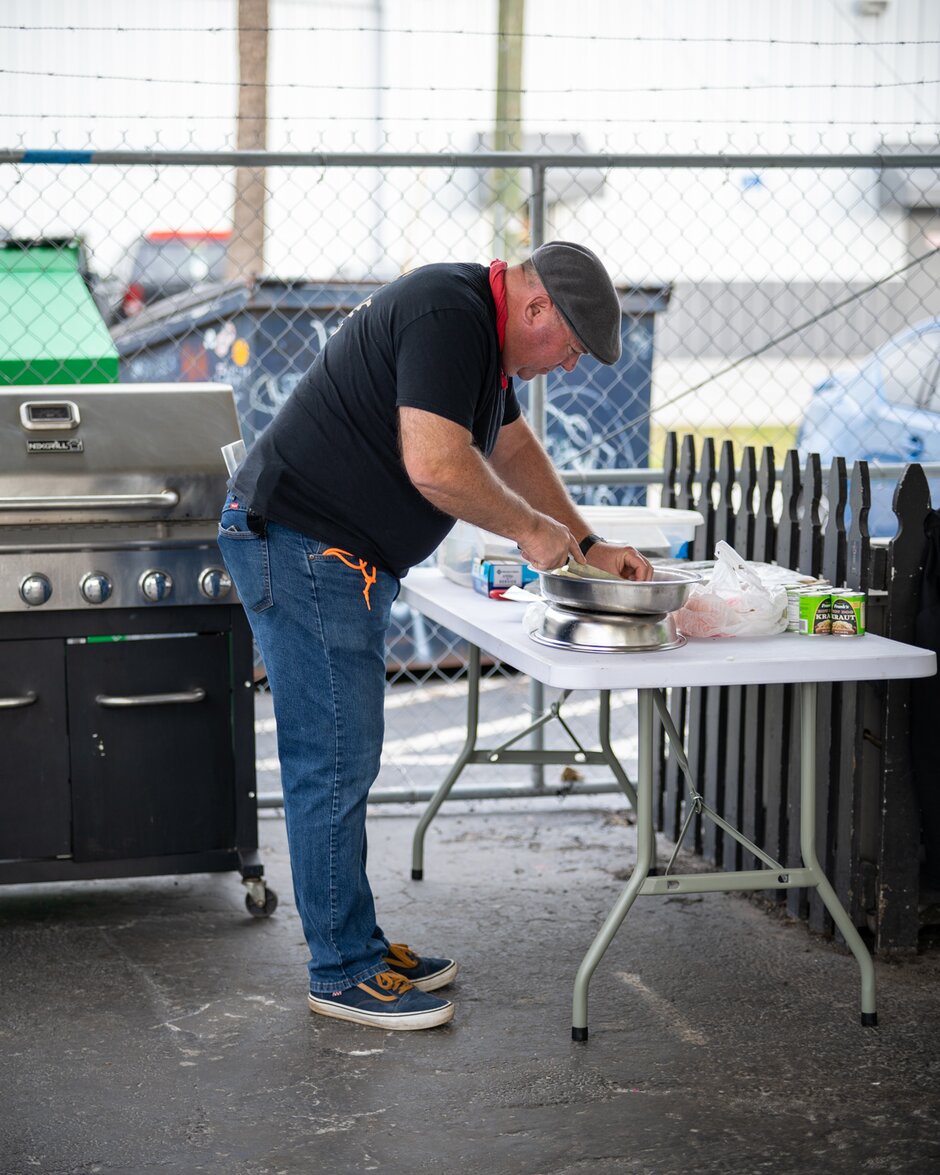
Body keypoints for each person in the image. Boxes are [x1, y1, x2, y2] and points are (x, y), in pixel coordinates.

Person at [218, 241, 653, 1032]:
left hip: (328, 551)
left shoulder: (479, 332)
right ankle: (341, 970)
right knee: (333, 759)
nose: (570, 366)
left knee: (346, 755)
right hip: (303, 543)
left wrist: (586, 544)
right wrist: (530, 531)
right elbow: (437, 465)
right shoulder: (449, 314)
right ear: (537, 308)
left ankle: (356, 943)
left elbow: (510, 448)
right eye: (572, 348)